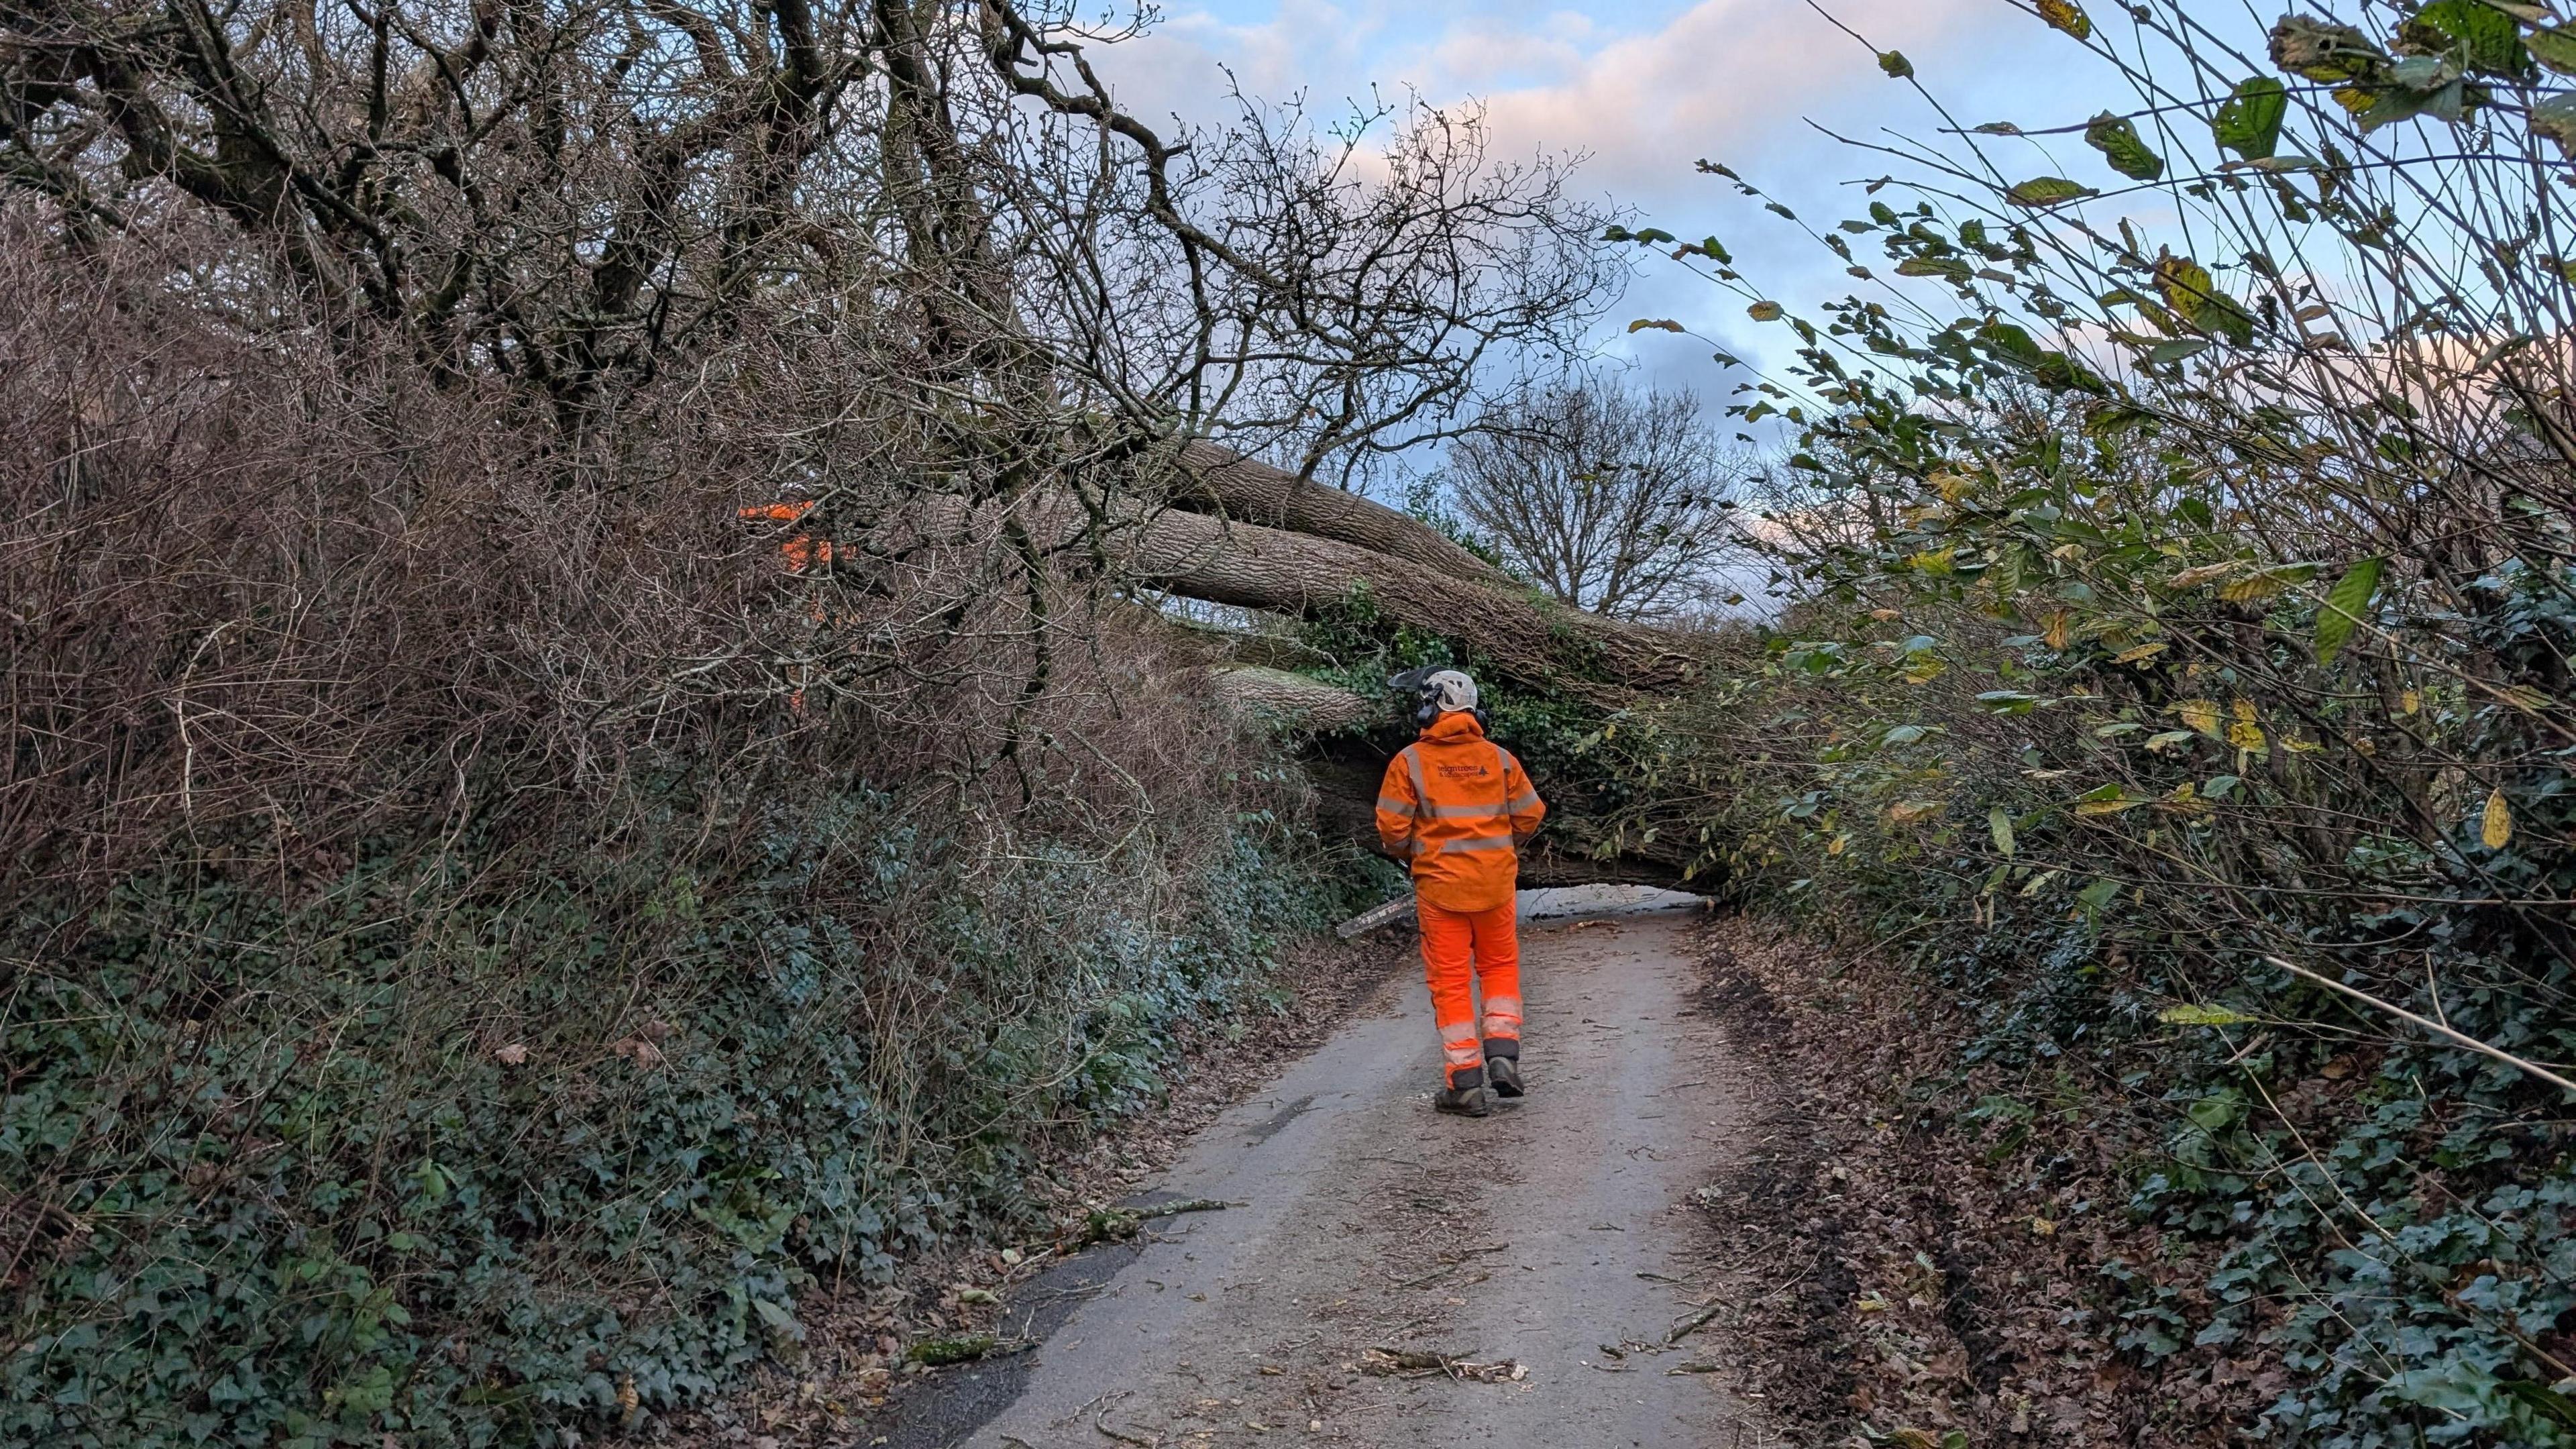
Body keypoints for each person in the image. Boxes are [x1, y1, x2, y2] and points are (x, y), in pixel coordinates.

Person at [1375, 668, 1547, 1118]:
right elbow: (1531, 815)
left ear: (1431, 706)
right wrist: (1498, 846)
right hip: (1496, 886)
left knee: (1451, 984)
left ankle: (1466, 1084)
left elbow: (1391, 830)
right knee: (1499, 967)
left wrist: (1413, 853)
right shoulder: (1501, 759)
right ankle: (1503, 1054)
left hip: (1440, 890)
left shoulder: (1409, 763)